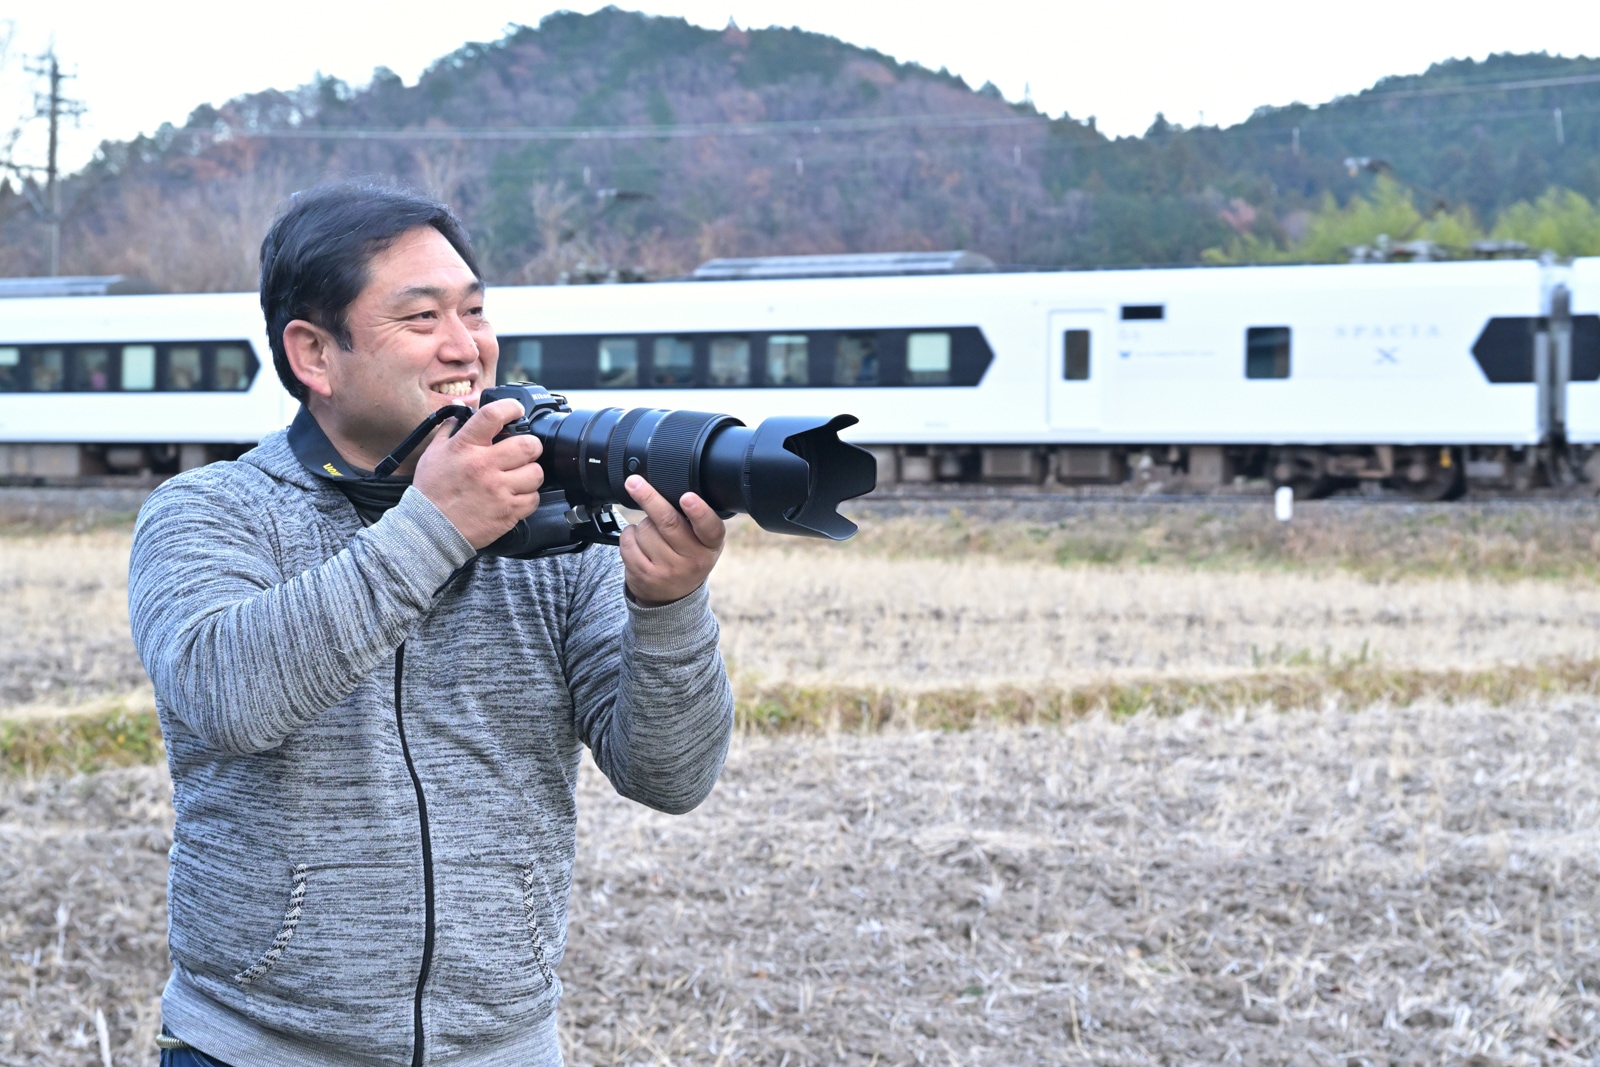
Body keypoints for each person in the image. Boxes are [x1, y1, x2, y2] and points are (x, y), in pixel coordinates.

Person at [128, 181, 735, 1067]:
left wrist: (670, 606)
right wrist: (436, 526)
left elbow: (670, 775)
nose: (468, 347)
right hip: (256, 1049)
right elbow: (232, 696)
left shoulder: (554, 524)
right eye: (422, 318)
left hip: (504, 1047)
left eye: (476, 310)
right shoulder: (208, 514)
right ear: (314, 354)